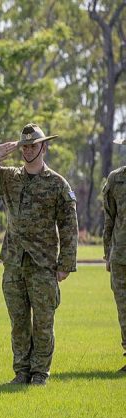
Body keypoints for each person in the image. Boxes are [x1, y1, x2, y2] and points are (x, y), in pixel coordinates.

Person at [0, 123, 78, 386]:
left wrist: (65, 264)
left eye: (33, 146)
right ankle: (21, 372)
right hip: (14, 261)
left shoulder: (57, 184)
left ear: (44, 147)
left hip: (43, 264)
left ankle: (40, 373)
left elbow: (69, 227)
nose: (28, 150)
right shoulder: (9, 178)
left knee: (43, 322)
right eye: (24, 146)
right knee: (18, 322)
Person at [102, 138, 126, 373]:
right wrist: (107, 252)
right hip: (120, 257)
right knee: (124, 309)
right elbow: (110, 218)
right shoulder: (116, 179)